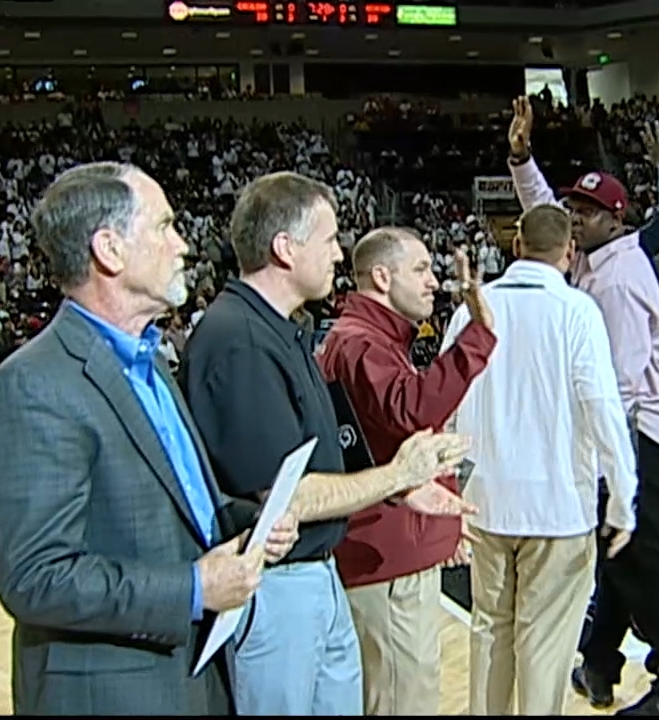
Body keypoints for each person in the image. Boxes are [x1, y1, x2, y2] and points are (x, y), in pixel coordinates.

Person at [0, 162, 302, 716]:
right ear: (110, 249)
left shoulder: (150, 364)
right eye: (165, 226)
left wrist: (250, 521)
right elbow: (34, 576)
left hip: (193, 679)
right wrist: (194, 589)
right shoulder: (33, 386)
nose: (183, 245)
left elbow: (173, 513)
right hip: (112, 695)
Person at [178, 171, 471, 717]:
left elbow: (326, 452)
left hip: (316, 575)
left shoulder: (282, 329)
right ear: (285, 248)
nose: (339, 254)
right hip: (278, 586)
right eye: (330, 239)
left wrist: (394, 494)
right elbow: (284, 497)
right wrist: (398, 475)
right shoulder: (239, 341)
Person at [504, 96, 659, 715]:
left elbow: (615, 386)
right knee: (615, 551)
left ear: (616, 220)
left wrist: (596, 457)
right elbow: (544, 219)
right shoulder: (591, 257)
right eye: (574, 208)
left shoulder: (615, 279)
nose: (576, 218)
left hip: (639, 431)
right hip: (631, 427)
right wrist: (520, 158)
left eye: (588, 211)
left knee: (639, 555)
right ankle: (599, 663)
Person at [442, 203, 637, 716]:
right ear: (570, 253)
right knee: (545, 645)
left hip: (483, 498)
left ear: (516, 247)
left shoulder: (470, 310)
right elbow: (601, 405)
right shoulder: (576, 311)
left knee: (488, 629)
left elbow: (444, 403)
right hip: (558, 506)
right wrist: (622, 494)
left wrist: (446, 492)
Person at [313, 227, 496, 716]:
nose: (433, 282)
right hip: (384, 558)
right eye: (420, 269)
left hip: (385, 550)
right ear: (381, 275)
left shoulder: (364, 337)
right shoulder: (361, 343)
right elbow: (413, 410)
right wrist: (477, 336)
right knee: (403, 699)